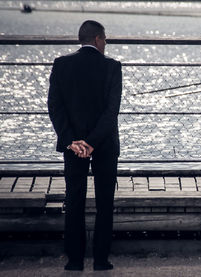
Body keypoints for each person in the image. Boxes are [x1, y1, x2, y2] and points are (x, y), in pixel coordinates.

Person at [48, 20, 122, 271]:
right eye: (105, 40)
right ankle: (101, 260)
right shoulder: (112, 67)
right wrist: (92, 142)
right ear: (99, 40)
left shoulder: (61, 65)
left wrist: (73, 141)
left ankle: (74, 260)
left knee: (75, 199)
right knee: (104, 201)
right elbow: (112, 112)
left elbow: (55, 108)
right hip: (104, 143)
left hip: (73, 145)